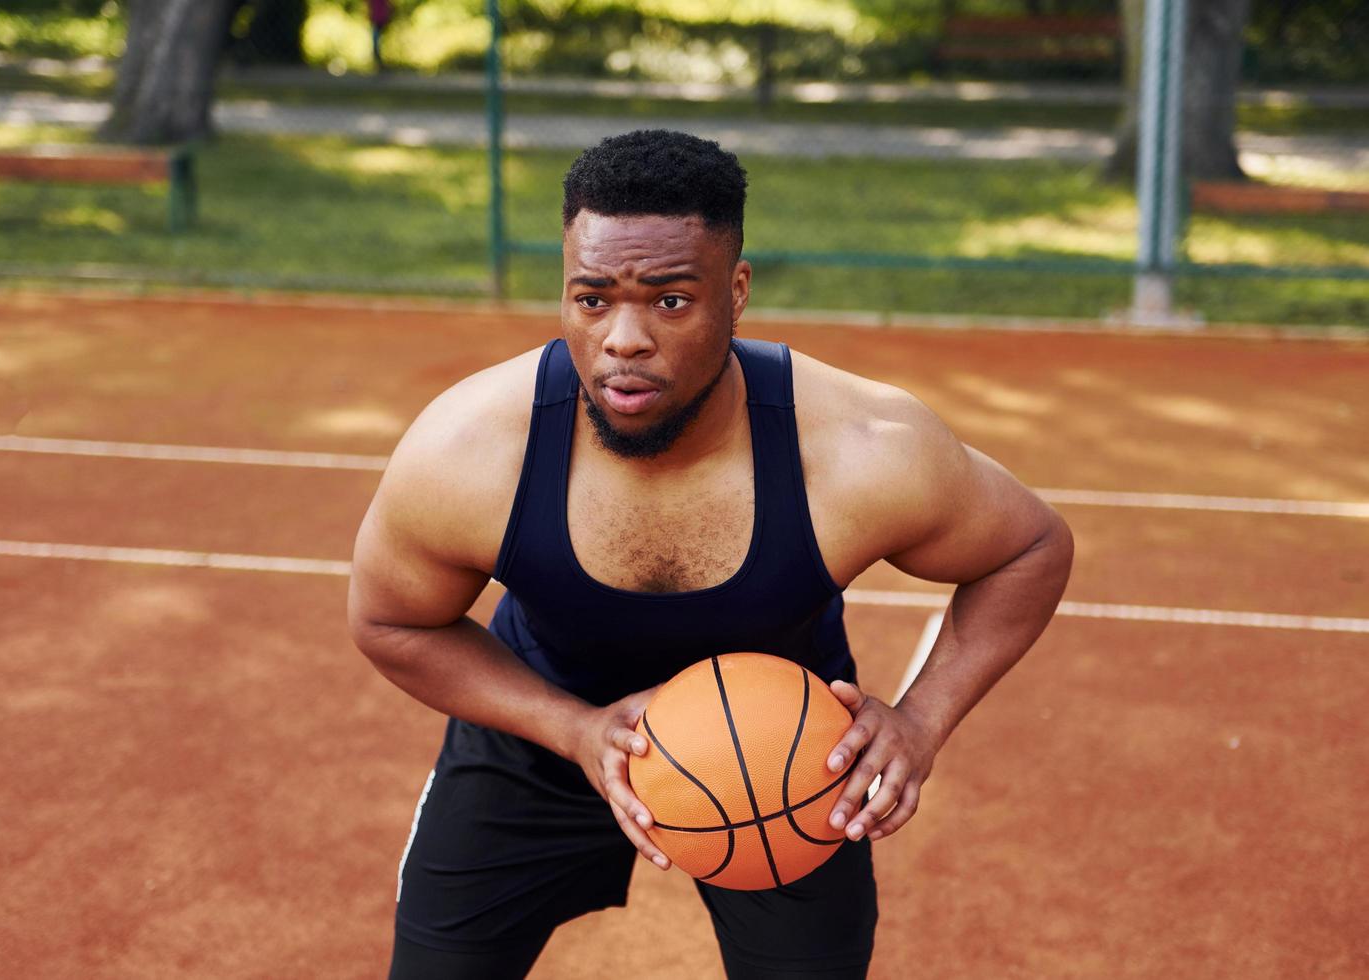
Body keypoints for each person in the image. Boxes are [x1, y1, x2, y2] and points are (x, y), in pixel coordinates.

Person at [348, 129, 1073, 979]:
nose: (623, 339)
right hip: (536, 742)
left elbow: (1030, 546)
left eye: (668, 301)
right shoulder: (469, 450)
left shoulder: (860, 449)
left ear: (736, 292)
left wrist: (920, 722)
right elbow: (391, 622)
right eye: (591, 300)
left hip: (788, 765)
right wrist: (575, 729)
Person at [367, 0, 394, 71]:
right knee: (376, 40)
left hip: (381, 20)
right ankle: (378, 62)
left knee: (378, 40)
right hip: (377, 20)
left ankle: (381, 62)